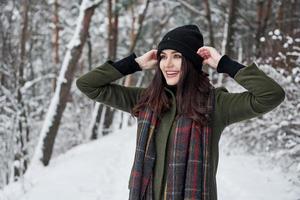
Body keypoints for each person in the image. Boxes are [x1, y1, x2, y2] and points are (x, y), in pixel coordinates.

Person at [76, 25, 285, 200]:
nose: (167, 64)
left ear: (192, 62)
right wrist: (134, 64)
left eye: (177, 56)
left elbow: (271, 95)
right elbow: (88, 85)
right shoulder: (146, 101)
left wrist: (224, 64)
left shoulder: (216, 104)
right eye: (163, 57)